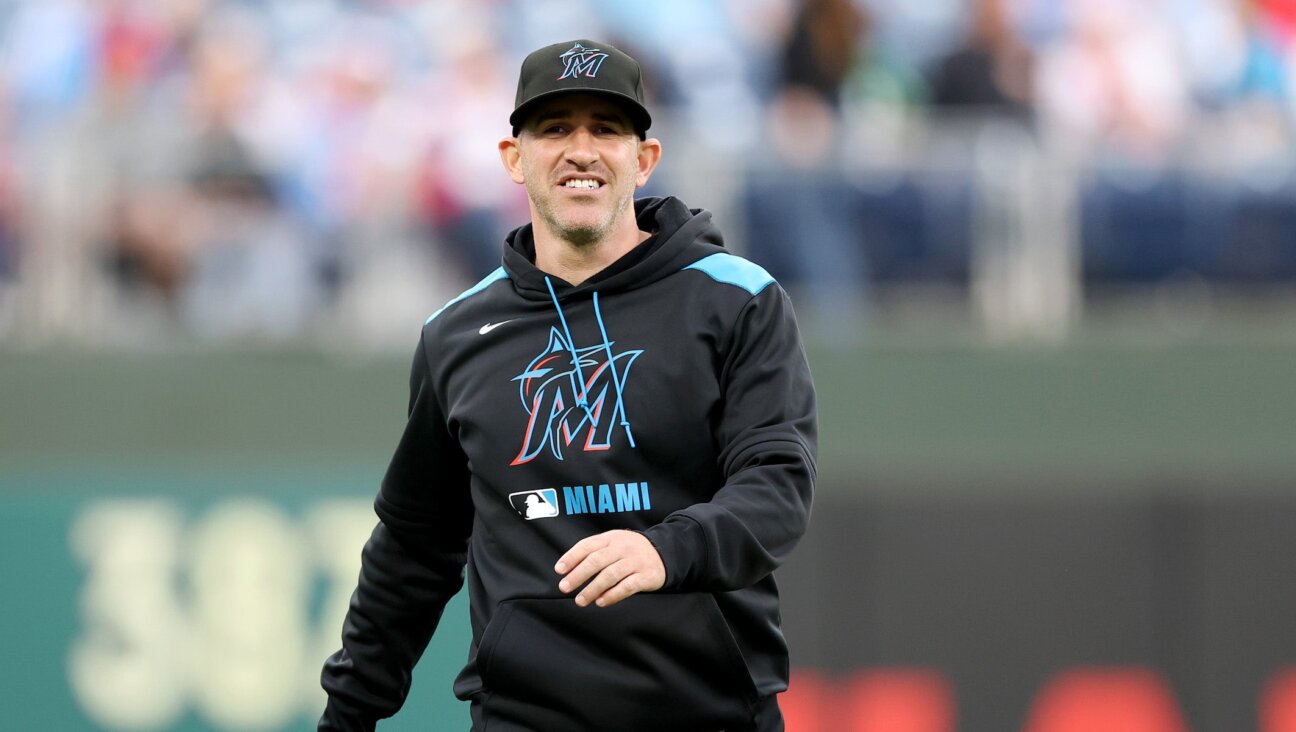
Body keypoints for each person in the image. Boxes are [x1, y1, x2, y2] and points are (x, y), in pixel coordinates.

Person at [319, 38, 817, 732]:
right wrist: (348, 716)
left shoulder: (738, 301)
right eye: (555, 128)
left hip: (710, 712)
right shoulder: (456, 334)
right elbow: (413, 548)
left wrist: (662, 549)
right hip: (524, 717)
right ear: (513, 159)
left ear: (644, 160)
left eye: (606, 129)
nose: (581, 150)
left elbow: (775, 490)